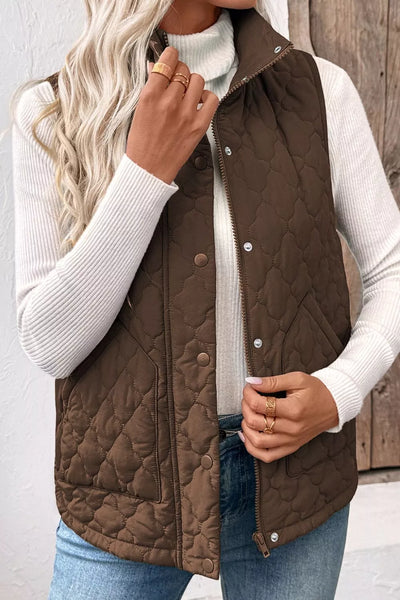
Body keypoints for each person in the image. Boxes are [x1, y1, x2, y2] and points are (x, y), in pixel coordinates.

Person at [11, 0, 400, 598]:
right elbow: (50, 345)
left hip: (293, 484)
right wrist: (144, 172)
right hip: (125, 493)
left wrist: (338, 392)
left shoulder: (320, 90)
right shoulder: (57, 110)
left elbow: (392, 269)